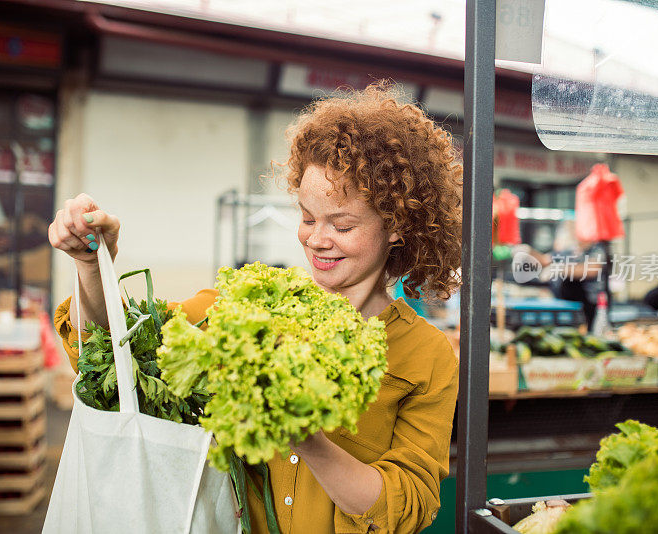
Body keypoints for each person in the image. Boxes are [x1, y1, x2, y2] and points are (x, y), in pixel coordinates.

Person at [49, 84, 462, 534]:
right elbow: (115, 354)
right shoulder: (247, 307)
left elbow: (410, 507)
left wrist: (310, 442)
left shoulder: (426, 357)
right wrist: (93, 263)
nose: (317, 239)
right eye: (307, 217)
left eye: (341, 224)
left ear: (397, 226)